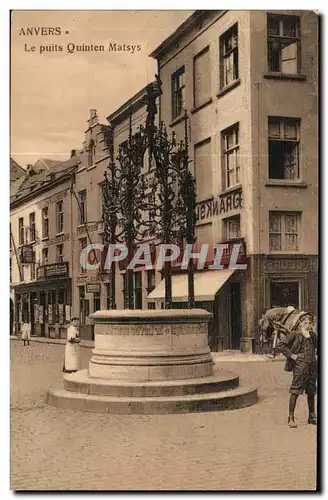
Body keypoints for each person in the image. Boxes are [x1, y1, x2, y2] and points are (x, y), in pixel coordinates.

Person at [277, 313, 317, 428]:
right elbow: (281, 345)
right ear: (300, 323)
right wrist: (291, 355)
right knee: (295, 391)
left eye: (310, 323)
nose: (307, 325)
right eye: (305, 323)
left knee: (311, 391)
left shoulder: (313, 335)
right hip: (300, 366)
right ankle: (291, 417)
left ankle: (312, 416)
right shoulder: (295, 334)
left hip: (312, 366)